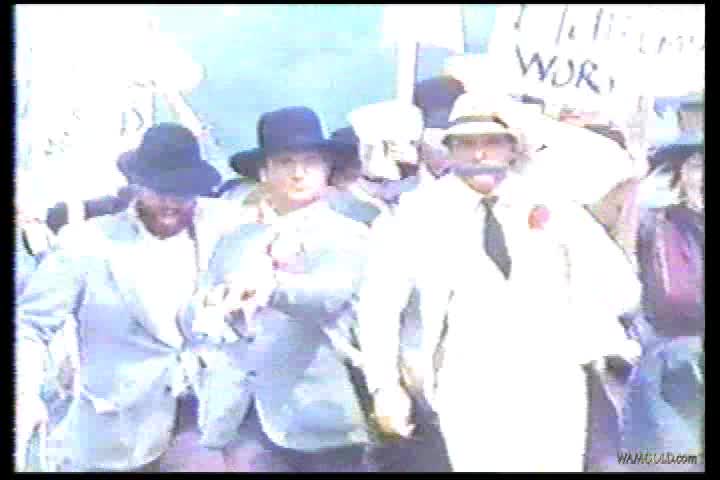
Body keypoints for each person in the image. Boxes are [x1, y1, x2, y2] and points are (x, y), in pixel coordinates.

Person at [356, 93, 642, 472]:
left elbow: (621, 288)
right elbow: (378, 309)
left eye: (492, 142)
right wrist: (385, 387)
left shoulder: (553, 205)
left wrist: (586, 321)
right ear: (449, 150)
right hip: (468, 382)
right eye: (466, 143)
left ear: (512, 148)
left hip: (553, 377)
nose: (479, 154)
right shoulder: (413, 216)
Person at [15, 123, 240, 472]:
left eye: (181, 192)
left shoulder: (224, 225)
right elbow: (30, 327)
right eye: (159, 191)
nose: (170, 203)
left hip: (204, 414)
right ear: (136, 186)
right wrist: (25, 394)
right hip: (118, 430)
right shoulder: (85, 244)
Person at [189, 106, 372, 472]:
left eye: (310, 162)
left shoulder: (349, 234)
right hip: (240, 411)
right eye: (285, 162)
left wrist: (269, 287)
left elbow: (329, 296)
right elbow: (200, 306)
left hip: (319, 418)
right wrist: (211, 305)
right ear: (264, 171)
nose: (298, 173)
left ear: (327, 169)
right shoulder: (237, 239)